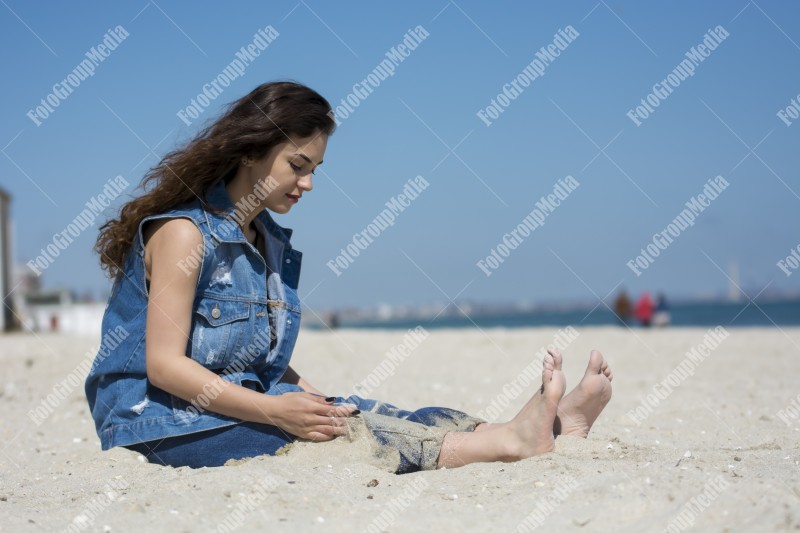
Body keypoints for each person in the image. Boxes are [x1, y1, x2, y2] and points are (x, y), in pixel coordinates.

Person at [84, 81, 613, 473]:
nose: (308, 183)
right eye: (298, 164)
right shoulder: (183, 234)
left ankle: (538, 427)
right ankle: (510, 442)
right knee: (343, 440)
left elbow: (258, 363)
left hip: (234, 403)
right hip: (159, 424)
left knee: (363, 411)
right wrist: (276, 410)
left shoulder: (265, 240)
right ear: (249, 151)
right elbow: (164, 367)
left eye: (315, 168)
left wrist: (322, 403)